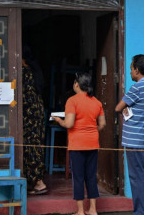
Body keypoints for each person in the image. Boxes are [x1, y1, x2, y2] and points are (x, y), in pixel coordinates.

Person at [52, 72, 106, 215]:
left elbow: (69, 123)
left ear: (77, 84)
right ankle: (93, 209)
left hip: (77, 144)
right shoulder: (97, 102)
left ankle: (80, 211)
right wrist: (91, 130)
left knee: (78, 177)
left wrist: (58, 120)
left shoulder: (72, 101)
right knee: (90, 176)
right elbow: (102, 124)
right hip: (93, 143)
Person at [115, 54, 144, 215]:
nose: (131, 72)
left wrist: (126, 108)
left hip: (133, 140)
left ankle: (140, 211)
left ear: (137, 70)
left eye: (131, 69)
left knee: (135, 177)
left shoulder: (137, 87)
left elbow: (118, 107)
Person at [22, 46, 48, 195]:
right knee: (36, 145)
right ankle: (36, 181)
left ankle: (39, 182)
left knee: (30, 147)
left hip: (28, 114)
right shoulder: (35, 71)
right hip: (37, 112)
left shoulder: (24, 72)